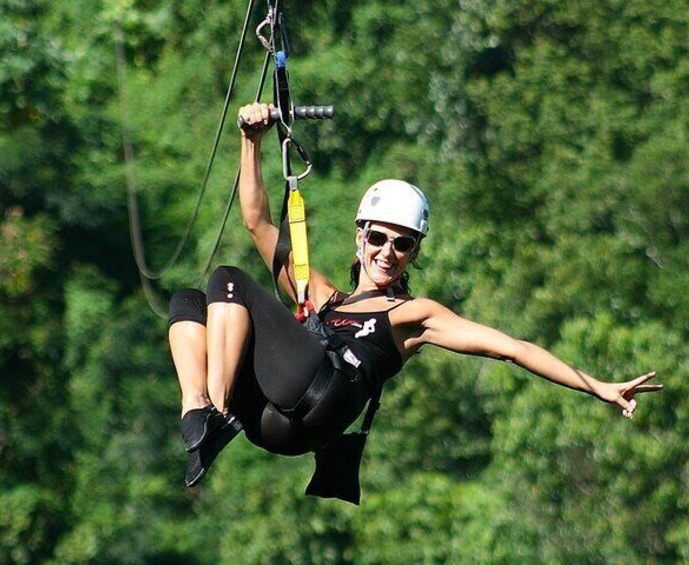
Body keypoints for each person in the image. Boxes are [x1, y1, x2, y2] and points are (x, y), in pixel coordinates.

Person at [167, 102, 663, 493]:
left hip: (323, 398)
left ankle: (215, 411)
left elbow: (511, 347)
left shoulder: (413, 315)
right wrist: (249, 142)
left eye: (403, 244)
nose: (389, 253)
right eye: (380, 238)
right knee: (191, 301)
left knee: (230, 279)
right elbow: (257, 221)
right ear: (360, 237)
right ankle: (202, 415)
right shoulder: (318, 294)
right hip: (272, 426)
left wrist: (596, 385)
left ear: (414, 252)